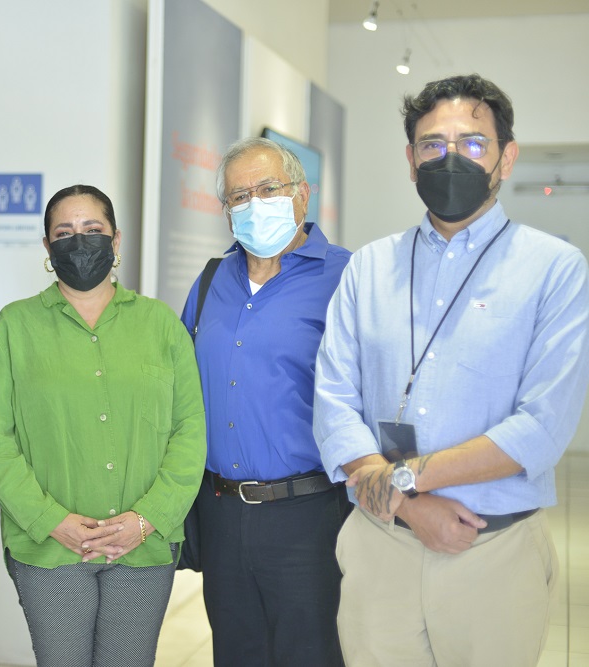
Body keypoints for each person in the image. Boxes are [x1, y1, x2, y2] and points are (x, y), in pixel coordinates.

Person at [314, 74, 589, 666]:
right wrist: (409, 503)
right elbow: (334, 403)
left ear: (505, 158)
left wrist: (404, 478)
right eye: (433, 144)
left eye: (473, 143)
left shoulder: (556, 270)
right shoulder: (368, 269)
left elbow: (541, 427)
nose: (450, 157)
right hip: (381, 545)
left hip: (492, 551)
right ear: (411, 161)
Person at [0, 184, 206, 667]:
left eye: (92, 229)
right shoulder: (13, 329)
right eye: (64, 232)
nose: (79, 241)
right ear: (47, 247)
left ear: (116, 240)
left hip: (143, 545)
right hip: (49, 547)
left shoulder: (161, 325)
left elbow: (189, 430)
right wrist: (49, 520)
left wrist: (147, 519)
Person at [180, 138, 351, 666]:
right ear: (226, 210)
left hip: (309, 514)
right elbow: (179, 389)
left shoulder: (345, 277)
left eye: (268, 188)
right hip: (221, 513)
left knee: (311, 654)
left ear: (302, 194)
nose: (254, 203)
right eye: (239, 196)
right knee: (235, 653)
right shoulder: (211, 280)